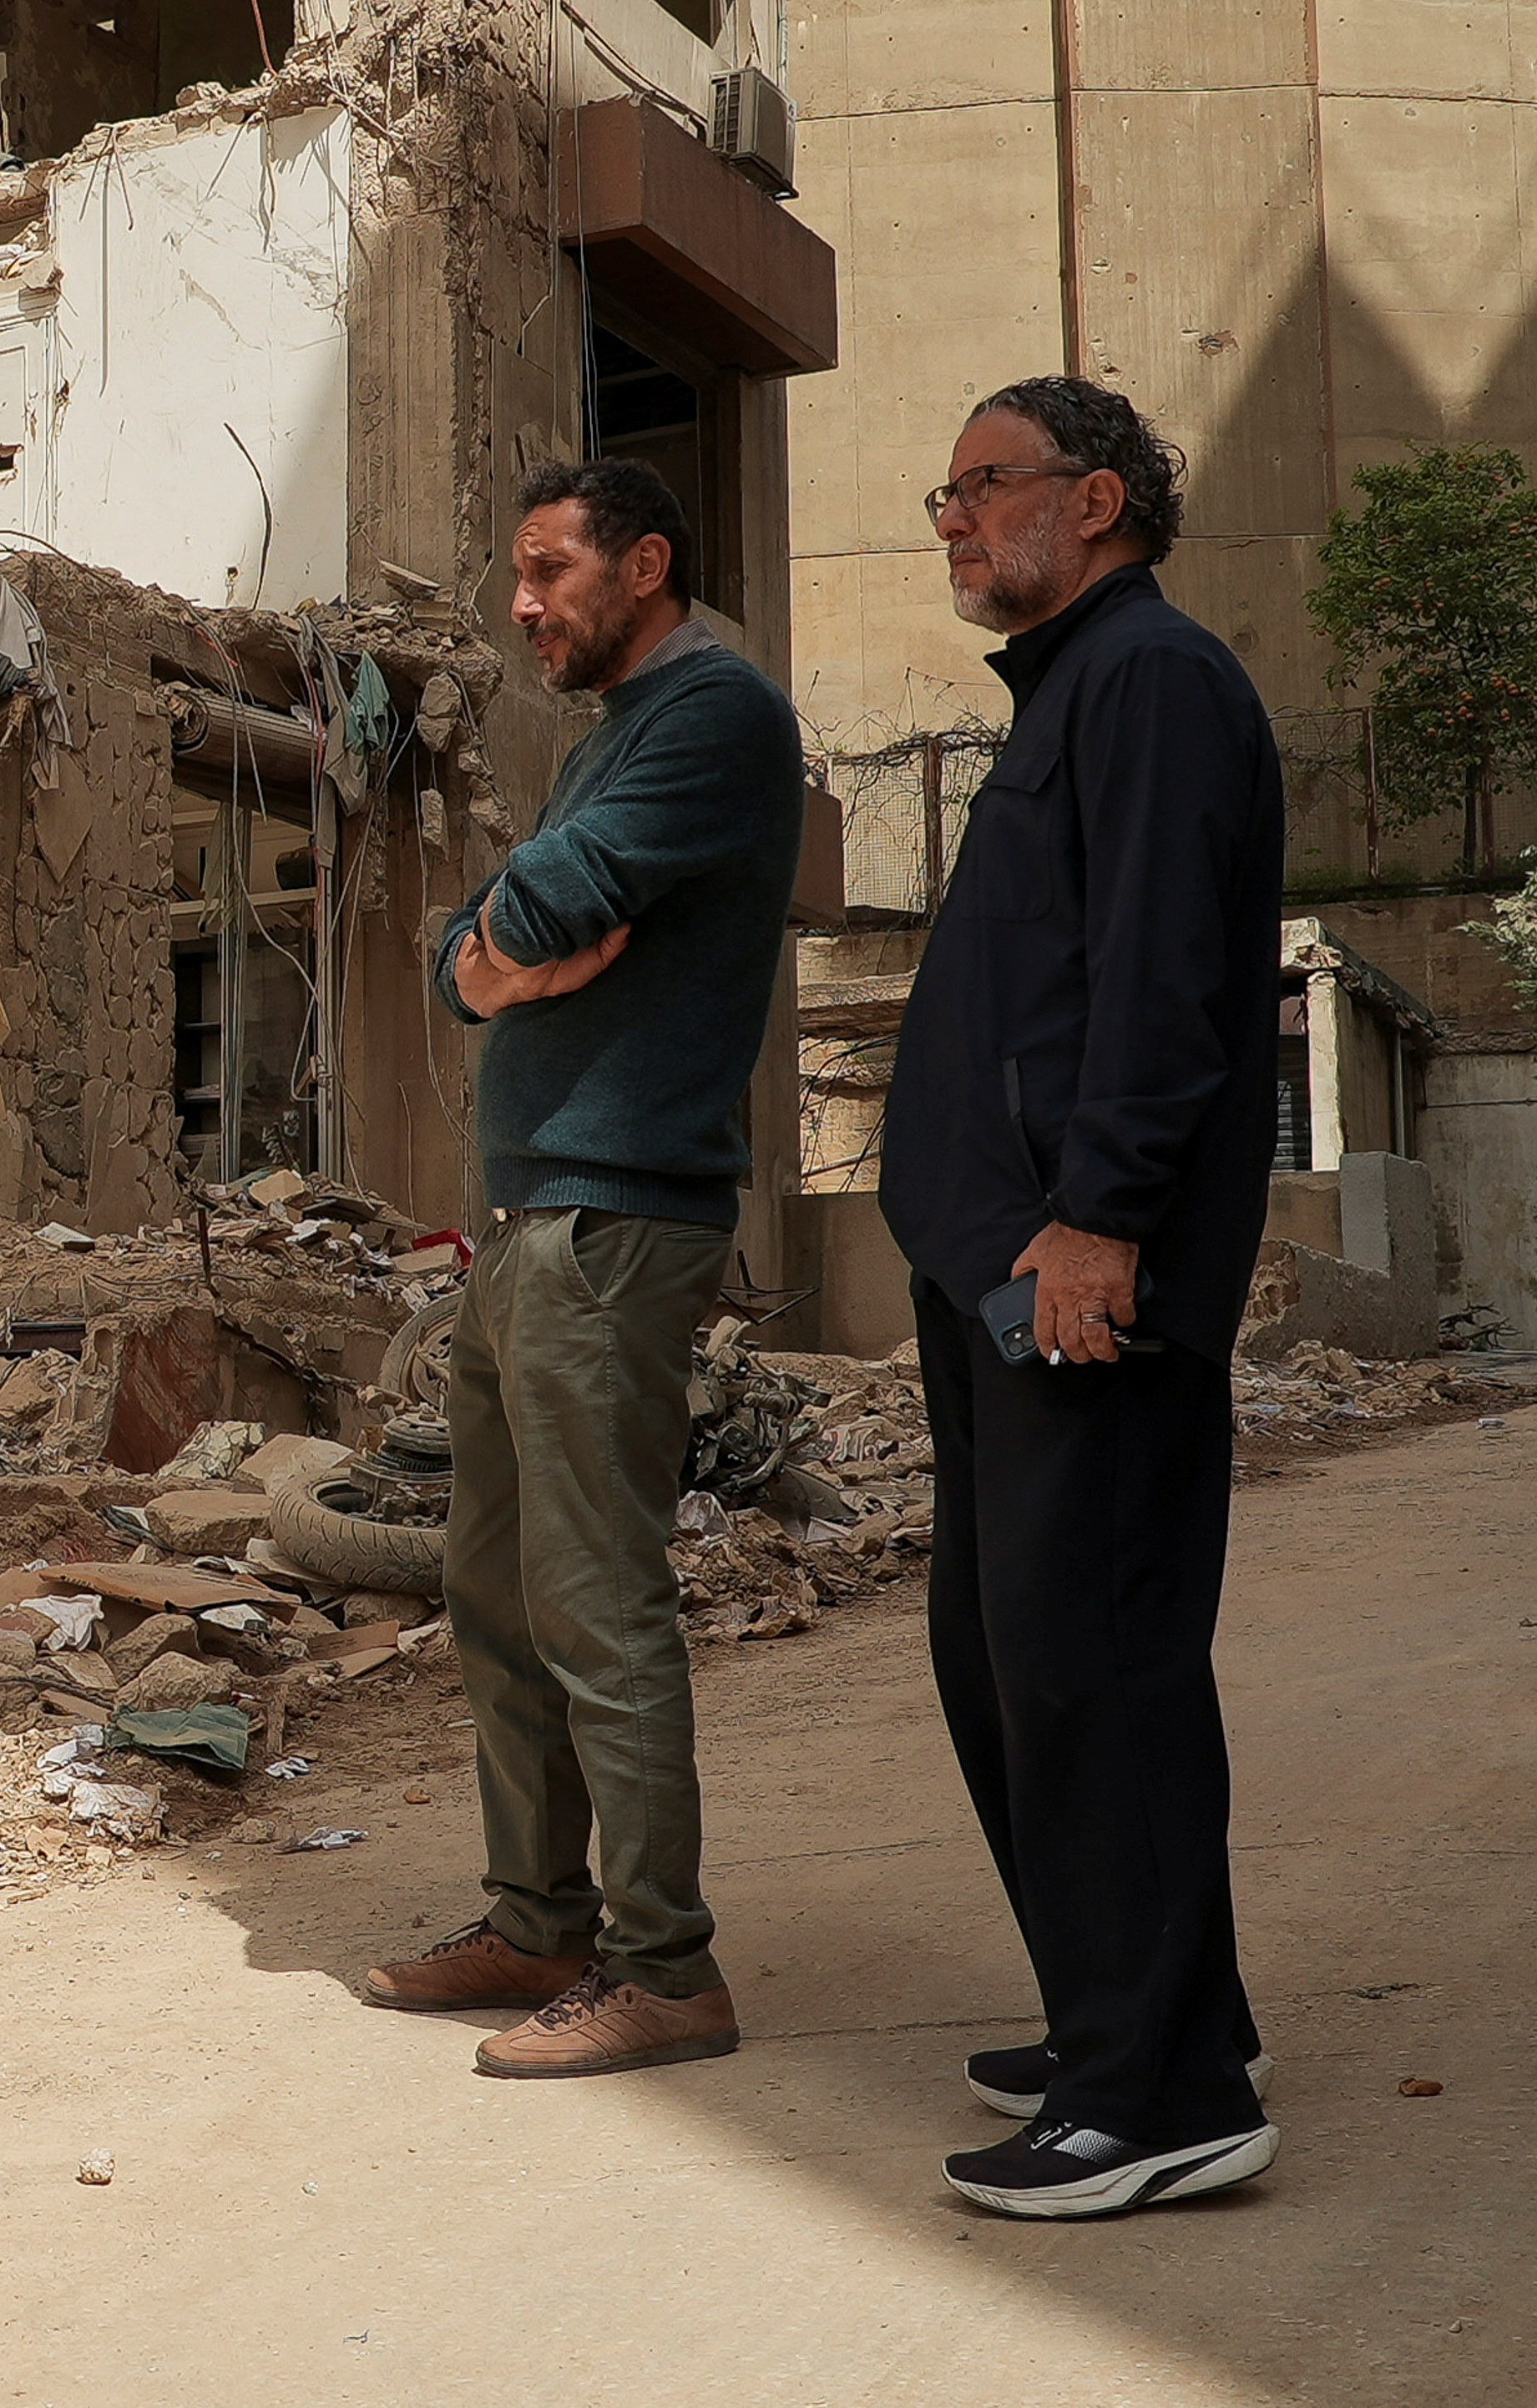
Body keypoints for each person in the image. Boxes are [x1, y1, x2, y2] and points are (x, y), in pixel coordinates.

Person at [882, 376, 1282, 2219]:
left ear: (1096, 501)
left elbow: (1159, 978)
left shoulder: (1149, 681)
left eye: (982, 485)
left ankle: (1163, 2094)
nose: (952, 517)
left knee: (1088, 1663)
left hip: (1074, 1276)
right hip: (1002, 1271)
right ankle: (1124, 2005)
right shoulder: (1074, 693)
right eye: (946, 492)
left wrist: (1101, 1219)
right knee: (1008, 1658)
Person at [356, 457, 807, 2077]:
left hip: (613, 1219)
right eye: (516, 576)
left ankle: (660, 1967)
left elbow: (545, 894)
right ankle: (536, 1917)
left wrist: (499, 936)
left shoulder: (711, 713)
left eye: (548, 571)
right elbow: (465, 950)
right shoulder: (609, 737)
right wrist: (488, 960)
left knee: (588, 1594)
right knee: (489, 1581)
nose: (521, 604)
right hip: (530, 1217)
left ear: (644, 563)